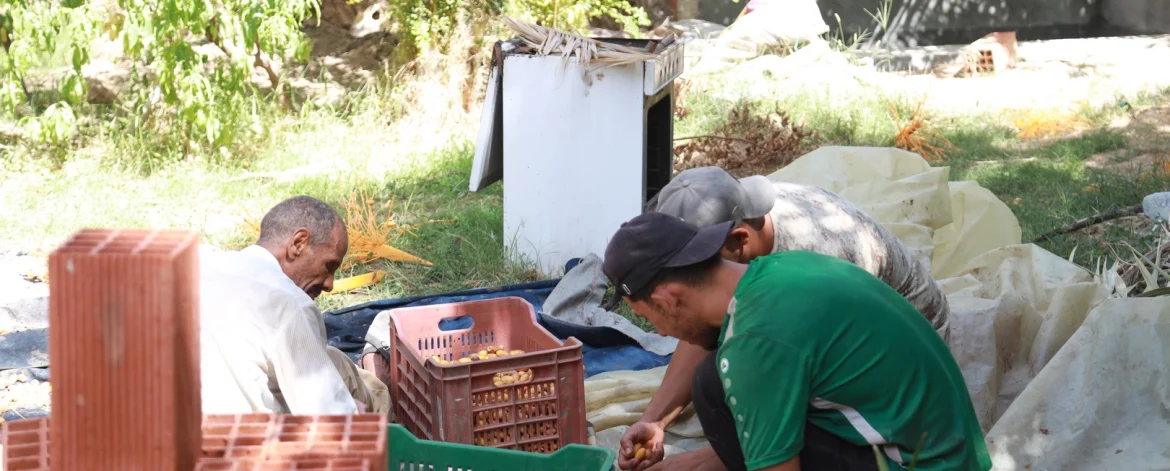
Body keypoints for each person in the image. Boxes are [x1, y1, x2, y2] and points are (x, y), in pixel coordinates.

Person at [602, 212, 991, 471]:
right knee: (710, 380)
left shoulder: (755, 342)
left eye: (647, 317)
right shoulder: (780, 271)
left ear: (668, 299)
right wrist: (679, 455)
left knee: (713, 384)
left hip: (917, 462)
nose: (660, 332)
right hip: (948, 454)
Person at [199, 195, 391, 415]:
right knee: (353, 384)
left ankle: (374, 380)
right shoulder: (289, 304)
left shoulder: (198, 261)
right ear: (298, 243)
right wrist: (352, 411)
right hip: (246, 443)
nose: (329, 284)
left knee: (333, 359)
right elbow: (333, 425)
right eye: (329, 265)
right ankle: (384, 396)